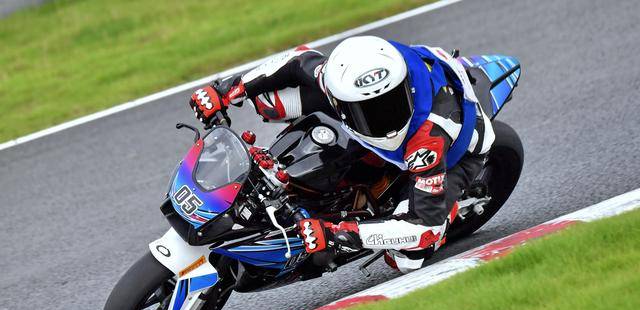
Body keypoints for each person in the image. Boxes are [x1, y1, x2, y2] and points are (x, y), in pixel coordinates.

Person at [189, 36, 494, 272]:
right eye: (368, 112)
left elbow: (422, 228)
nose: (382, 120)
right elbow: (298, 60)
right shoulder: (341, 79)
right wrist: (227, 91)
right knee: (270, 102)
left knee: (406, 257)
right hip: (394, 104)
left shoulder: (426, 144)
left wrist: (335, 233)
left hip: (459, 153)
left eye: (390, 106)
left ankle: (448, 212)